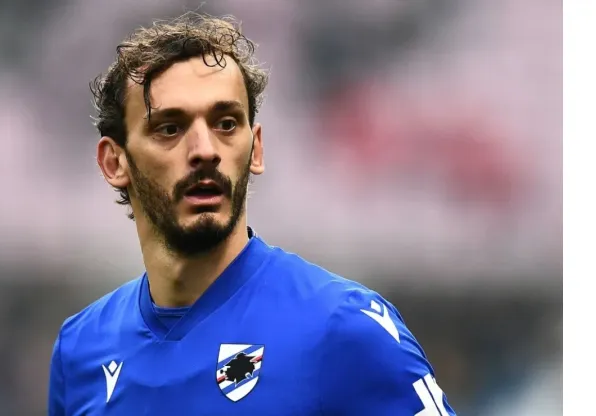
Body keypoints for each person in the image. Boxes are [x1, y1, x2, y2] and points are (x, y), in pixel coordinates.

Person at [48, 12, 456, 416]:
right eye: (169, 128)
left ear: (256, 149)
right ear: (114, 162)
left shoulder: (342, 327)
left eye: (226, 124)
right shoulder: (81, 349)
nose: (205, 150)